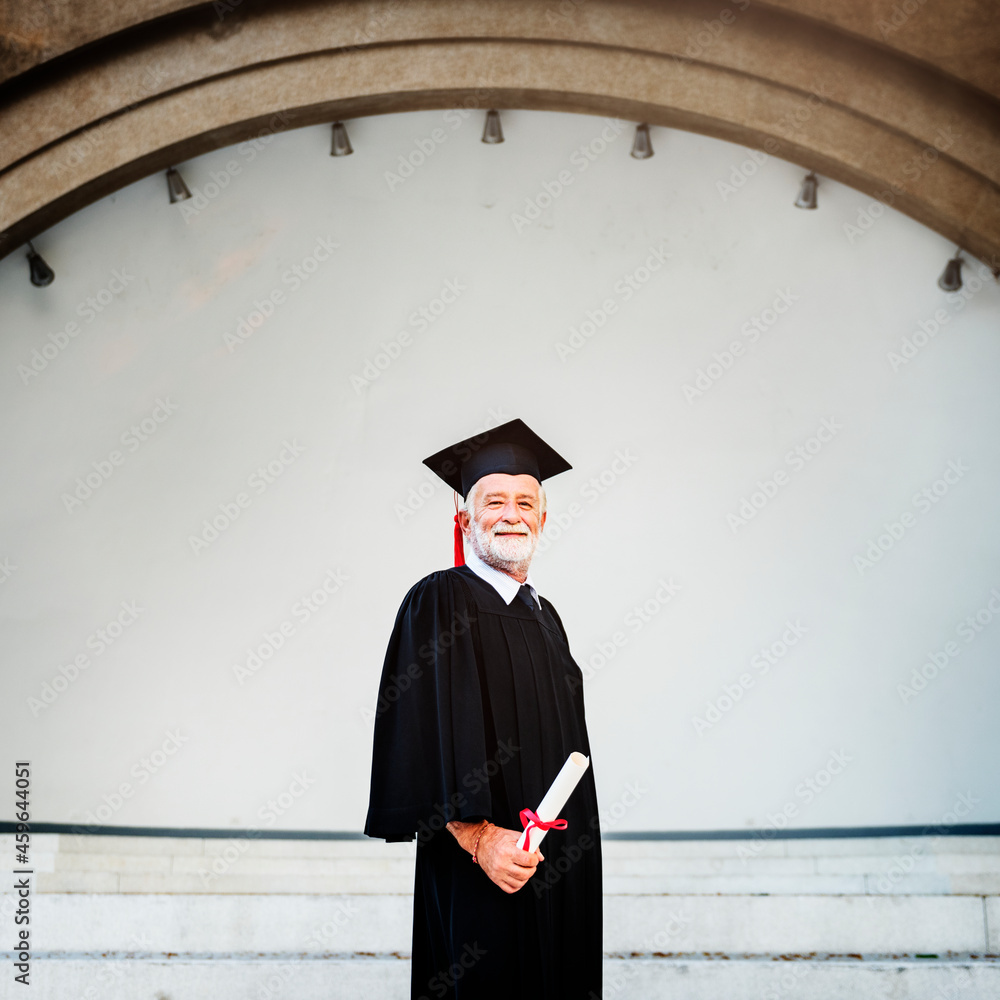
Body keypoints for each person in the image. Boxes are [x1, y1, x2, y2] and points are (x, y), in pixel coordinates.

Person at [364, 418, 602, 999]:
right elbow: (418, 733)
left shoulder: (547, 618)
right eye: (494, 501)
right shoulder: (440, 599)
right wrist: (477, 839)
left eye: (526, 502)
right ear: (466, 520)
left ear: (543, 520)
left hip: (553, 859)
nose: (512, 513)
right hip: (483, 860)